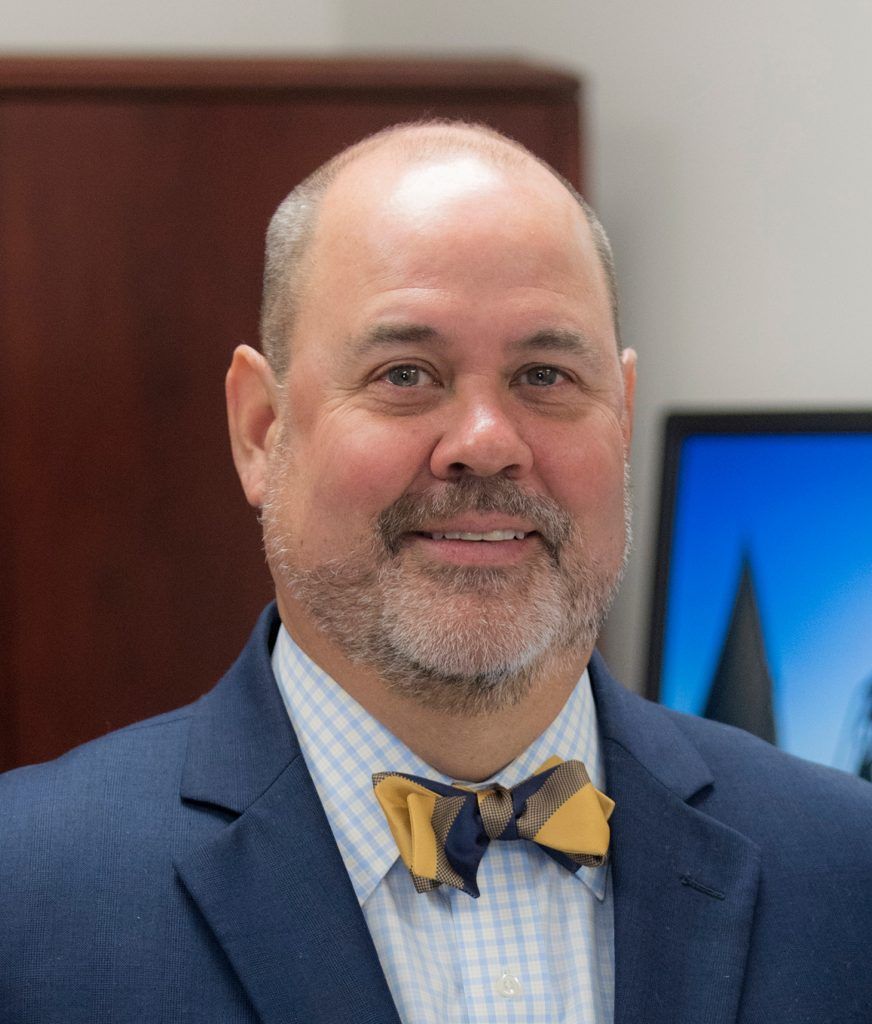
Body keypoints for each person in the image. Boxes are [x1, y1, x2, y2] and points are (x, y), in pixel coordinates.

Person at [1, 121, 870, 1024]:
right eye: (406, 373)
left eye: (545, 374)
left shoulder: (849, 875)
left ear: (622, 418)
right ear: (261, 430)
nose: (487, 444)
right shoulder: (24, 901)